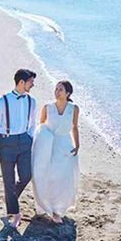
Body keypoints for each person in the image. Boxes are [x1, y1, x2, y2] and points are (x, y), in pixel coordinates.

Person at [0, 69, 37, 228]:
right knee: (8, 181)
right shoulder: (2, 102)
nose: (33, 84)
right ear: (21, 82)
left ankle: (10, 198)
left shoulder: (32, 101)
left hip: (24, 142)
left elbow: (33, 124)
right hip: (6, 143)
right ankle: (15, 213)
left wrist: (29, 137)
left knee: (26, 175)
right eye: (31, 82)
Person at [31, 80, 80, 224]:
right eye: (56, 89)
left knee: (63, 178)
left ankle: (58, 210)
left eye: (60, 89)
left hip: (65, 146)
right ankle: (43, 205)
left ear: (68, 93)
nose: (57, 91)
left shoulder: (74, 108)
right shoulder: (48, 107)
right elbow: (41, 127)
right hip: (47, 146)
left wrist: (77, 145)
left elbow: (75, 127)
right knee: (46, 174)